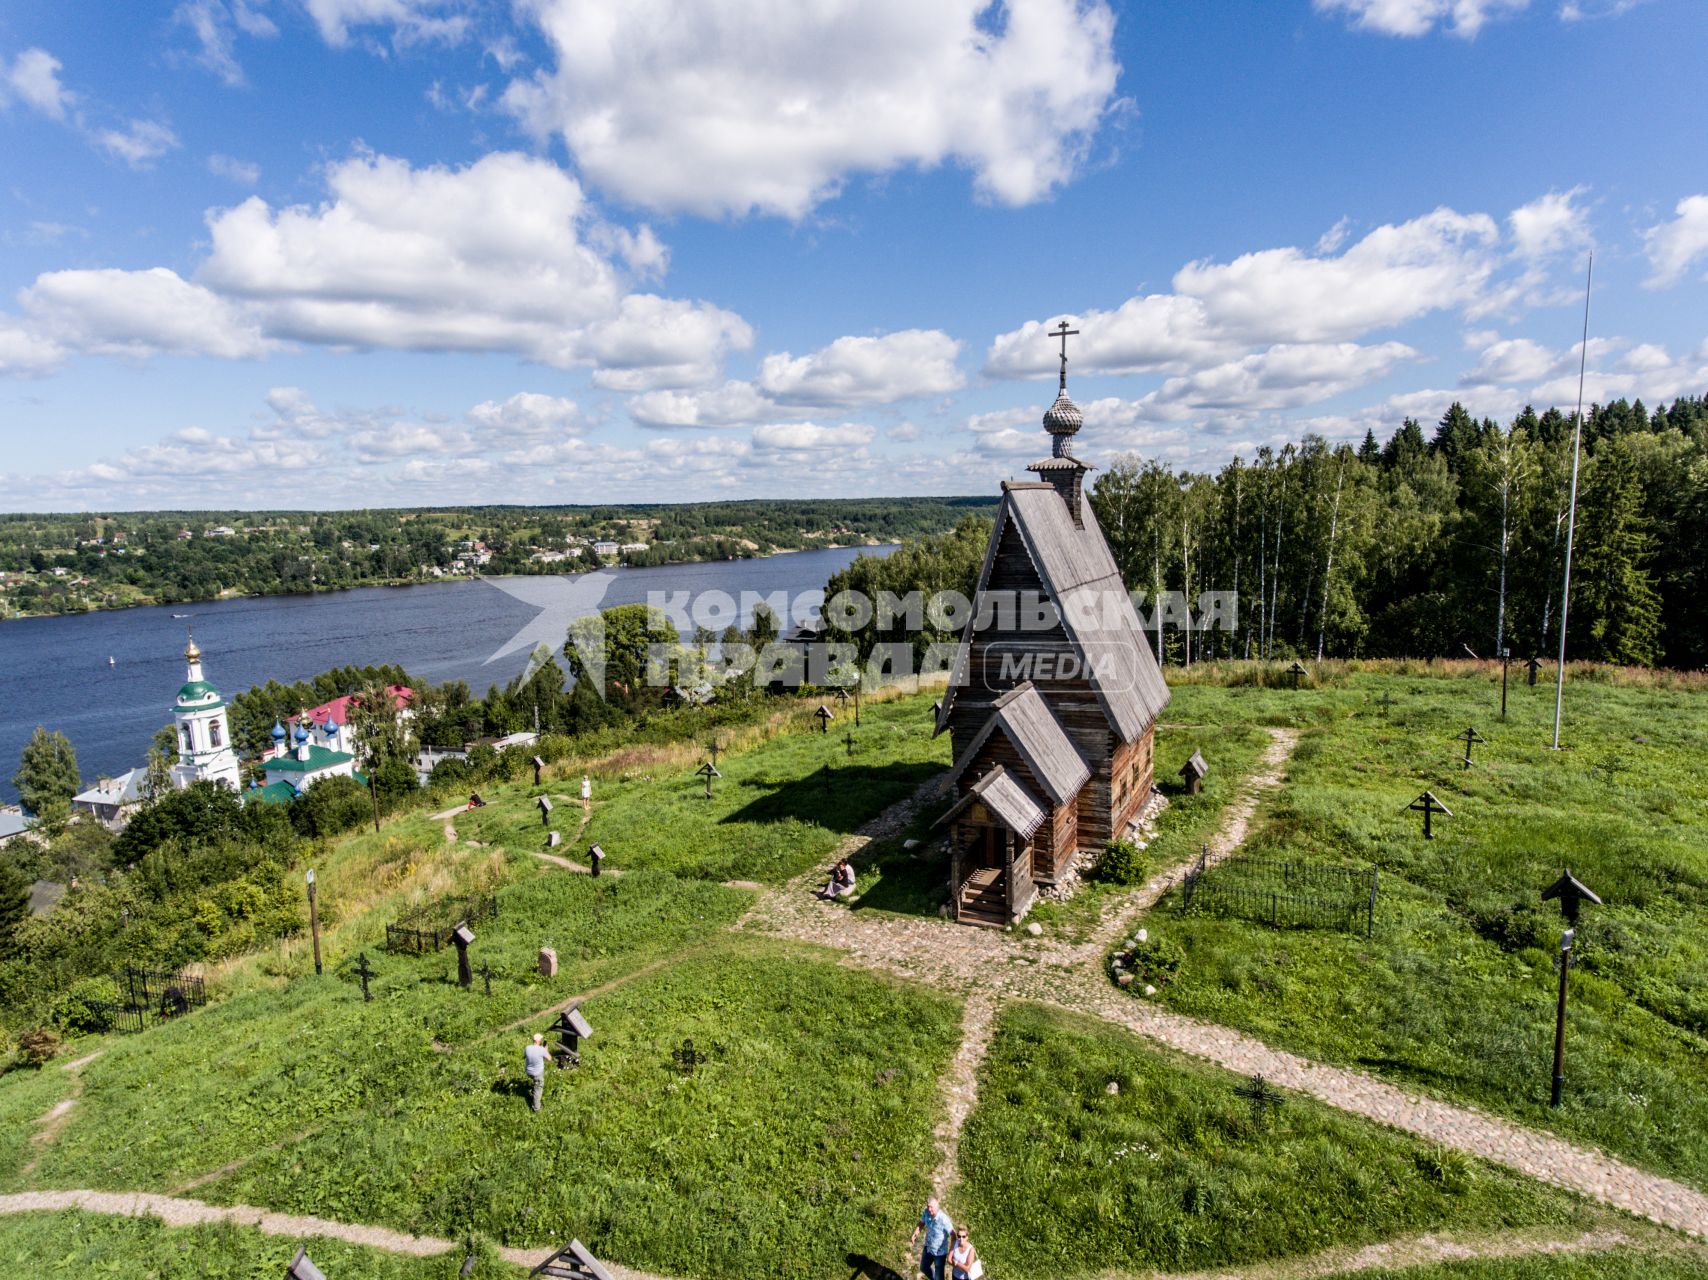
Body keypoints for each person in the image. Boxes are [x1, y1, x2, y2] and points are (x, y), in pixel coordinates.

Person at [910, 1196, 953, 1280]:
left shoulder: (944, 1219)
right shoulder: (926, 1212)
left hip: (939, 1253)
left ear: (937, 1207)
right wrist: (916, 1232)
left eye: (931, 1207)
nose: (929, 1209)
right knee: (923, 1267)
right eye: (928, 1206)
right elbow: (922, 1222)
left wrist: (951, 1252)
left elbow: (953, 1235)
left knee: (939, 1277)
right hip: (928, 1248)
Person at [523, 1032, 552, 1112]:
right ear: (539, 1041)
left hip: (529, 1071)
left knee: (535, 1081)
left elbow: (525, 1055)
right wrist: (546, 1050)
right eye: (541, 1039)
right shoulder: (542, 1050)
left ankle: (535, 1083)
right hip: (537, 1073)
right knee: (538, 1088)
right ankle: (537, 1108)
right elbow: (549, 1059)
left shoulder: (527, 1048)